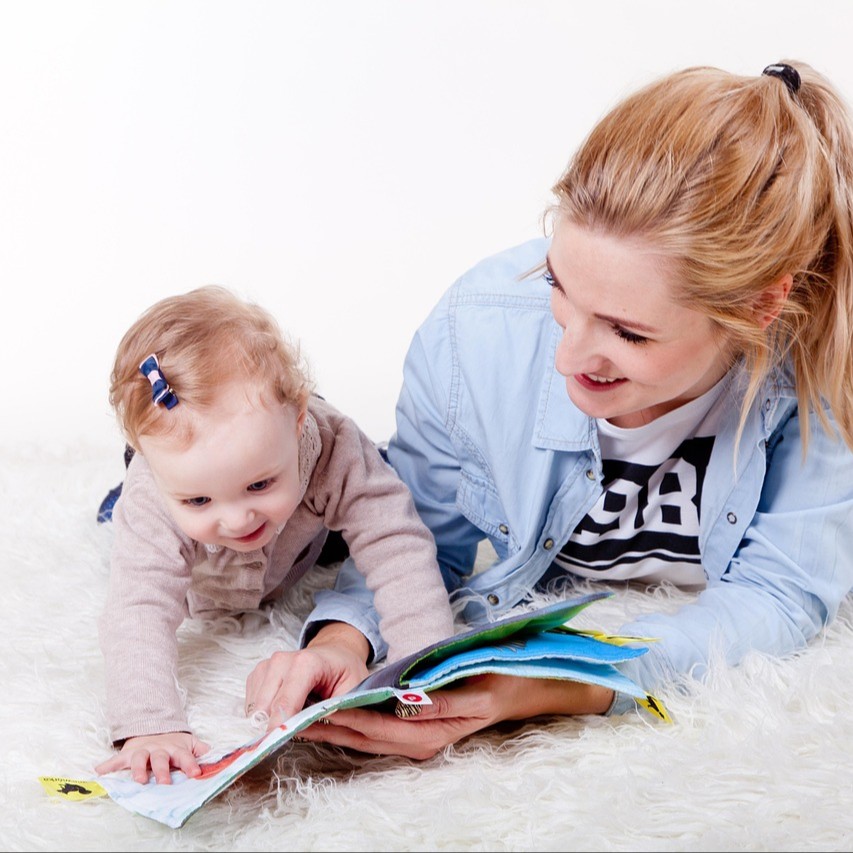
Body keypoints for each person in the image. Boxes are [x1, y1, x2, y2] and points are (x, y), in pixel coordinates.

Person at [278, 60, 853, 759]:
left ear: (758, 306)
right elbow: (412, 530)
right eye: (558, 284)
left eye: (627, 332)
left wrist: (554, 684)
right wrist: (344, 635)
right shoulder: (473, 334)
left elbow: (779, 597)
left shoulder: (822, 365)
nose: (566, 355)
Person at [94, 285, 454, 782]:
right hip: (203, 564)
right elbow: (137, 606)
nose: (238, 520)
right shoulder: (153, 494)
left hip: (299, 539)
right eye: (199, 499)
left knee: (384, 487)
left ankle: (300, 487)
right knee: (126, 524)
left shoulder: (330, 443)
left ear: (299, 417)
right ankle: (124, 496)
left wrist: (429, 665)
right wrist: (149, 726)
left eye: (258, 483)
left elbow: (396, 544)